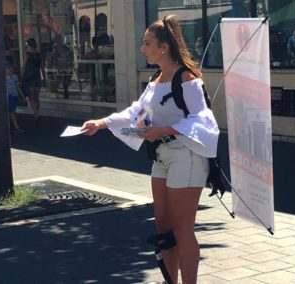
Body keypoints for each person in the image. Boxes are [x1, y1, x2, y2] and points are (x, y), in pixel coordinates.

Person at [80, 15, 220, 284]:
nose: (142, 49)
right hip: (161, 156)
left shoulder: (187, 78)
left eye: (147, 43)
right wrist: (100, 123)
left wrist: (162, 131)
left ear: (164, 47)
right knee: (162, 227)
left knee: (182, 229)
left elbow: (203, 121)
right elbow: (137, 112)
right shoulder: (156, 79)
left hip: (187, 156)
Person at [21, 38, 45, 121]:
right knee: (37, 97)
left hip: (29, 77)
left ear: (29, 45)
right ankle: (37, 112)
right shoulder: (39, 54)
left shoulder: (27, 54)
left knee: (31, 97)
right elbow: (42, 67)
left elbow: (24, 66)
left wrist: (21, 75)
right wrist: (44, 78)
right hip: (37, 77)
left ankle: (36, 112)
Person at [6, 62, 24, 133]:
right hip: (8, 95)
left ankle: (11, 126)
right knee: (11, 111)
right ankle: (16, 126)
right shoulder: (3, 78)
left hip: (14, 95)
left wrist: (22, 96)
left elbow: (17, 86)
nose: (10, 70)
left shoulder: (15, 76)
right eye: (8, 69)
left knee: (12, 111)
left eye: (11, 69)